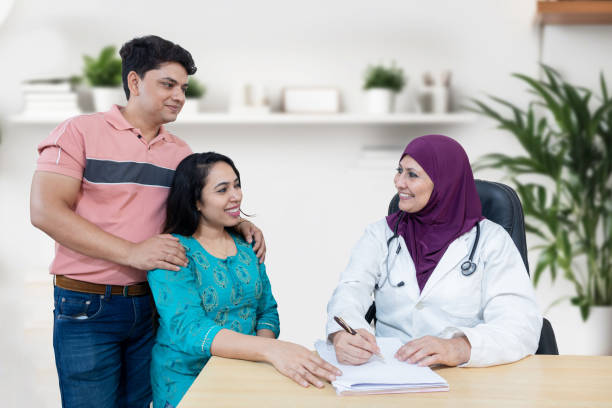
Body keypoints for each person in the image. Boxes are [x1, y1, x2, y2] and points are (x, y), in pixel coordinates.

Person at [30, 35, 266, 408]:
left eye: (184, 88)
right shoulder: (78, 132)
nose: (178, 96)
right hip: (88, 305)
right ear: (135, 82)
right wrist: (132, 252)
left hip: (153, 304)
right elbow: (46, 211)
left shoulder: (180, 152)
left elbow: (196, 206)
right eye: (168, 84)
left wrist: (239, 225)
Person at [326, 134, 542, 368]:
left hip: (465, 377)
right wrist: (343, 333)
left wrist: (458, 347)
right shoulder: (381, 234)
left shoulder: (492, 240)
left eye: (412, 174)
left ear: (443, 181)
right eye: (399, 170)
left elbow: (520, 325)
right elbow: (350, 290)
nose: (399, 182)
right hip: (389, 370)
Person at [148, 152, 341, 408]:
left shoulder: (248, 245)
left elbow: (267, 311)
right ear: (196, 201)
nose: (236, 195)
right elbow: (190, 330)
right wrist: (268, 351)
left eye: (237, 185)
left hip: (245, 371)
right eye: (222, 189)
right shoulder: (172, 253)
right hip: (187, 378)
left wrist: (261, 357)